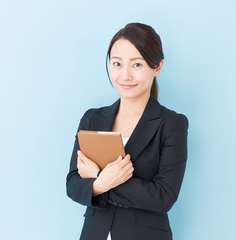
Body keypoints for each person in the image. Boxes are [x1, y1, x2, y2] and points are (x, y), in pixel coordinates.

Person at [66, 23, 189, 240]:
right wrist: (102, 182)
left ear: (157, 67)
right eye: (117, 63)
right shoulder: (92, 119)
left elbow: (163, 197)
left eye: (137, 65)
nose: (125, 75)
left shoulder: (171, 124)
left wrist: (99, 179)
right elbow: (73, 184)